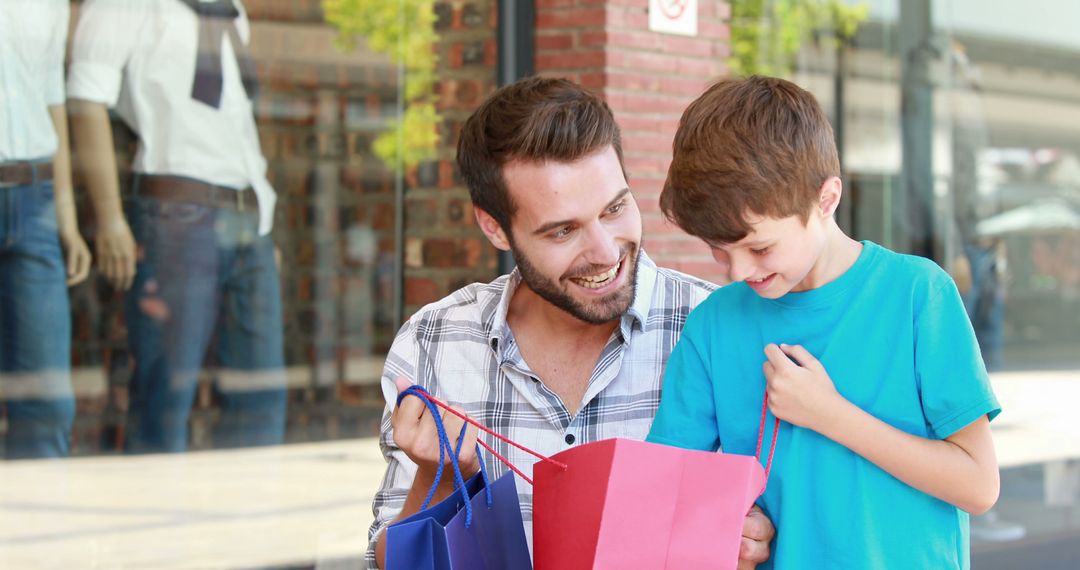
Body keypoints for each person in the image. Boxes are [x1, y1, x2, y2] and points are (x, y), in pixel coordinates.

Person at [367, 76, 774, 569]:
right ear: (494, 227)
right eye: (563, 230)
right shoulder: (434, 342)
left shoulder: (719, 328)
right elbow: (388, 563)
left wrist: (753, 540)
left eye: (615, 208)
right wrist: (447, 478)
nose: (605, 251)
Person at [646, 76, 1001, 569]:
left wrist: (829, 414)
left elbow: (979, 486)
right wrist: (731, 530)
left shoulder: (918, 294)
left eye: (760, 247)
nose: (738, 271)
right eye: (718, 250)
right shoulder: (712, 327)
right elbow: (667, 497)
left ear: (826, 199)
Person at [67, 0, 286, 453]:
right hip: (176, 211)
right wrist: (109, 216)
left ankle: (250, 517)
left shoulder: (228, 8)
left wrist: (262, 217)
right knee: (166, 394)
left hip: (247, 216)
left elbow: (235, 120)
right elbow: (86, 98)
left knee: (260, 394)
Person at [0, 0, 92, 459]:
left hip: (34, 200)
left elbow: (51, 99)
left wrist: (66, 219)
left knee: (48, 401)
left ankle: (37, 525)